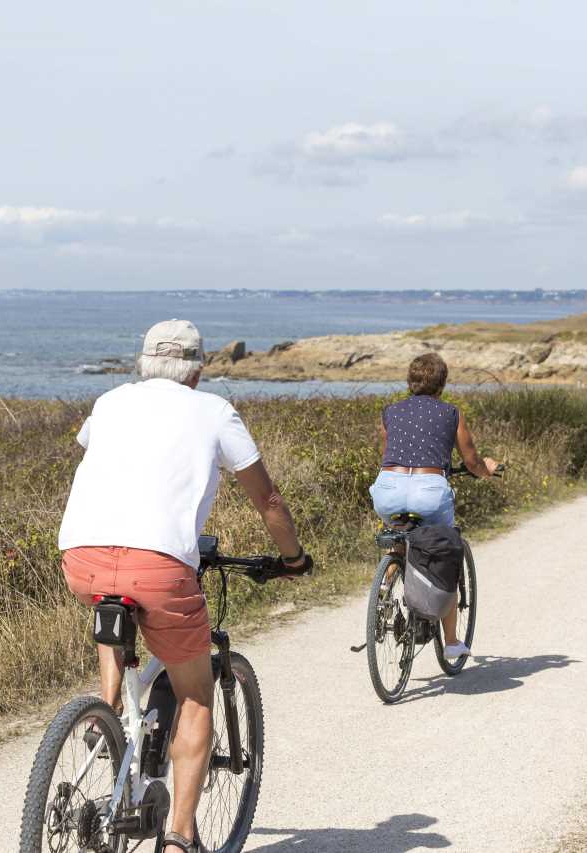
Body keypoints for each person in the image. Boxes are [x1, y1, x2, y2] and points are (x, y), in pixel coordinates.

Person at [58, 319, 309, 853]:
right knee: (195, 693)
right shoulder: (214, 410)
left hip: (80, 556)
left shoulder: (110, 402)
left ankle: (107, 715)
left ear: (144, 363)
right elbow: (268, 501)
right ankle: (178, 838)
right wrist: (292, 558)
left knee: (113, 602)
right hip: (161, 567)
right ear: (197, 370)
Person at [370, 352, 498, 658]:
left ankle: (384, 595)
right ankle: (452, 642)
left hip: (388, 487)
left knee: (398, 538)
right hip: (429, 491)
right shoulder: (451, 413)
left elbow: (389, 454)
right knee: (445, 553)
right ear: (442, 383)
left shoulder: (391, 412)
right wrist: (487, 470)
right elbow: (472, 460)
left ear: (410, 381)